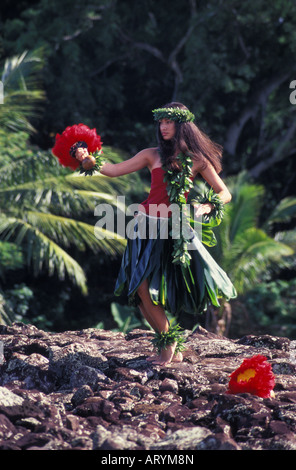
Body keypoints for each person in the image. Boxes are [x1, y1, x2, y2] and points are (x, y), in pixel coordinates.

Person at [52, 103, 237, 366]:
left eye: (168, 122)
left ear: (182, 125)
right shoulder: (152, 155)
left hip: (175, 230)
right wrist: (86, 158)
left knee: (147, 289)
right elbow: (113, 170)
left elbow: (224, 193)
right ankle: (170, 342)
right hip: (145, 226)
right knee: (140, 290)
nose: (163, 127)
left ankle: (169, 346)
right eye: (160, 123)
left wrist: (206, 205)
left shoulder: (198, 160)